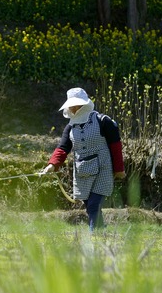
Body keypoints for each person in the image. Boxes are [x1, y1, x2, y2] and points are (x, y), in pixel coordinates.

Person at [40, 87, 126, 231]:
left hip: (103, 169)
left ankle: (95, 235)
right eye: (72, 105)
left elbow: (115, 146)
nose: (74, 108)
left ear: (84, 104)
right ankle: (101, 231)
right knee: (91, 207)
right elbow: (62, 148)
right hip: (82, 172)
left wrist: (119, 169)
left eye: (77, 105)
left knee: (94, 205)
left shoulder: (103, 121)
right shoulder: (70, 127)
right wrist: (52, 165)